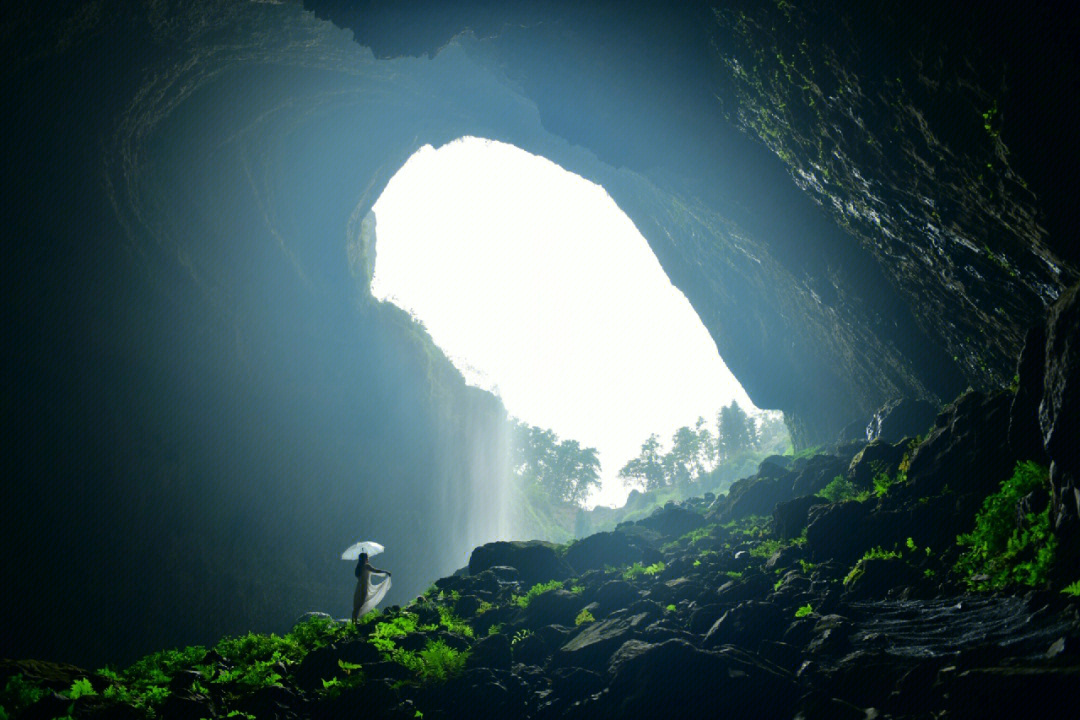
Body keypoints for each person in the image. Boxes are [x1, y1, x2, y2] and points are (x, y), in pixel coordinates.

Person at [351, 551, 391, 623]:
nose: (368, 558)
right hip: (364, 587)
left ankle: (354, 621)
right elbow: (375, 570)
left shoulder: (358, 567)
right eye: (367, 557)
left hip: (359, 587)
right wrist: (386, 572)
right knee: (360, 604)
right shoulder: (366, 566)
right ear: (365, 558)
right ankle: (355, 621)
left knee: (357, 605)